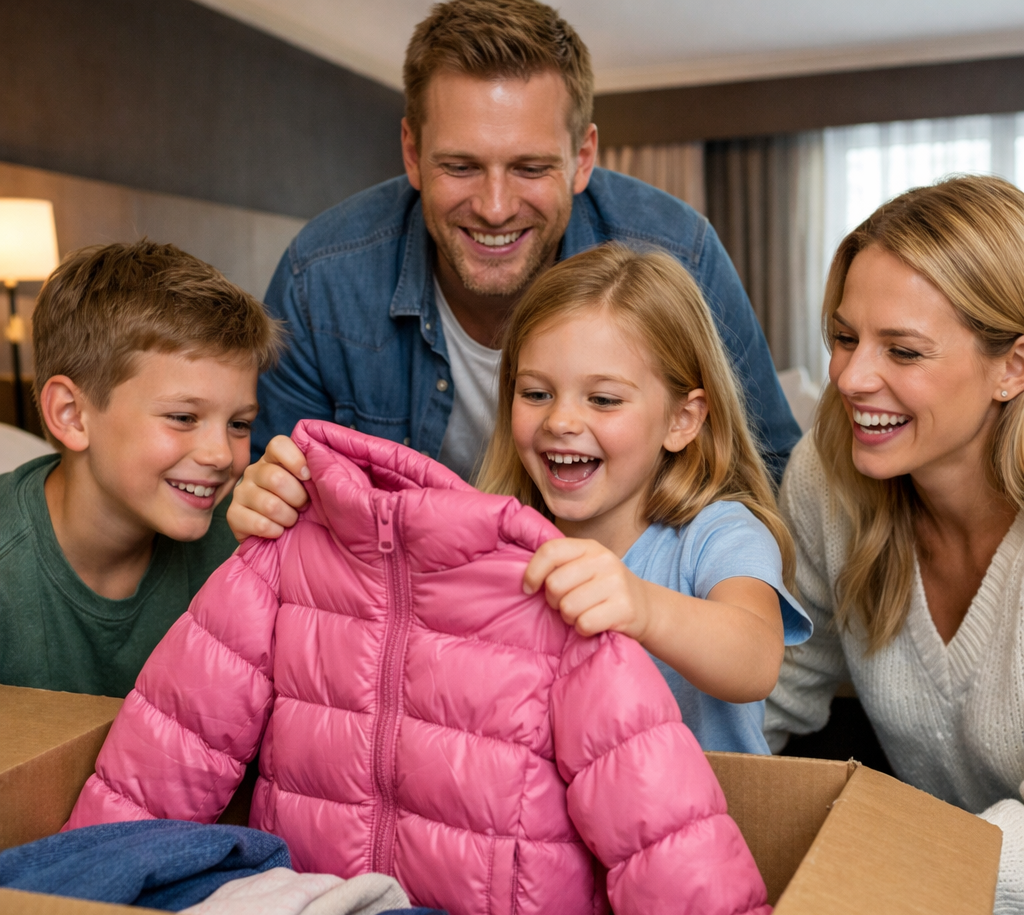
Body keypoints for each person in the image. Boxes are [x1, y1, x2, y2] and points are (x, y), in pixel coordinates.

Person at [232, 0, 800, 543]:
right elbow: (266, 492)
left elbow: (765, 478)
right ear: (411, 152)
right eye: (460, 166)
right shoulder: (321, 277)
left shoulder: (680, 253)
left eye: (529, 167)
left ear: (582, 158)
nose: (495, 207)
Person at [762, 176, 1024, 915]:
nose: (850, 378)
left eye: (901, 352)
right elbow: (774, 685)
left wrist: (906, 885)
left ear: (1012, 365)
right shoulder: (828, 475)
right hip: (948, 882)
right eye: (844, 337)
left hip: (956, 883)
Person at [476, 243, 811, 751]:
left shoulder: (718, 535)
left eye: (603, 399)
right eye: (536, 393)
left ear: (682, 420)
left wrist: (643, 608)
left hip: (706, 825)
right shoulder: (501, 540)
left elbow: (755, 659)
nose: (560, 421)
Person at [0, 240, 281, 698]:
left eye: (239, 424)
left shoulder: (239, 552)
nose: (221, 456)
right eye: (183, 418)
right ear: (71, 414)